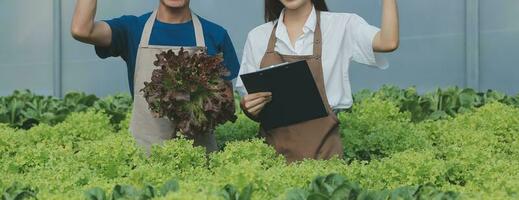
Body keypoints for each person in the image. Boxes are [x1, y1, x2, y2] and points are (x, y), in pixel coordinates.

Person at [236, 0, 399, 162]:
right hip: (271, 158)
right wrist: (249, 106)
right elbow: (249, 97)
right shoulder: (258, 36)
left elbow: (388, 42)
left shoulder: (341, 26)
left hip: (324, 153)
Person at [71, 0, 240, 154]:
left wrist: (195, 101)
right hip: (146, 157)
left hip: (200, 159)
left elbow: (227, 104)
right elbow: (82, 30)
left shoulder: (215, 34)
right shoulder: (133, 29)